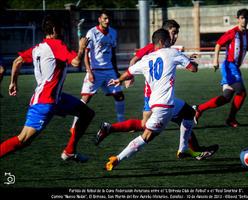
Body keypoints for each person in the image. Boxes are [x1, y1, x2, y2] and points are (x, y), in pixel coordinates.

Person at [96, 20, 218, 154]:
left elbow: (168, 60)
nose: (175, 37)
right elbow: (134, 60)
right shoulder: (152, 47)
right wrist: (129, 77)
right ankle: (111, 130)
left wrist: (187, 58)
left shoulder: (168, 50)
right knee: (148, 125)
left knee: (183, 115)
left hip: (158, 93)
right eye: (173, 33)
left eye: (177, 33)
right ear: (164, 35)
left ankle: (192, 150)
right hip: (153, 94)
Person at [0, 15, 95, 161]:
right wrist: (81, 48)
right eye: (61, 29)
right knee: (23, 140)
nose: (62, 32)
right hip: (45, 102)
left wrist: (13, 82)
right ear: (55, 29)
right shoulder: (56, 45)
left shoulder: (38, 48)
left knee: (86, 113)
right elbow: (76, 62)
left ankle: (69, 151)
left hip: (55, 98)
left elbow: (17, 61)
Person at [193, 8, 248, 128]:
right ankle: (231, 119)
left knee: (226, 97)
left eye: (246, 18)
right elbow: (218, 44)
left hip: (236, 68)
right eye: (242, 18)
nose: (244, 20)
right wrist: (215, 59)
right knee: (242, 91)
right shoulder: (232, 32)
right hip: (229, 66)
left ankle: (199, 108)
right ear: (238, 19)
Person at [70, 9, 125, 136]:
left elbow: (113, 54)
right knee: (86, 98)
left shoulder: (113, 32)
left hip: (109, 70)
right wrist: (89, 72)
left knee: (119, 95)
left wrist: (116, 71)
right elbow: (86, 53)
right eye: (105, 18)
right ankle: (74, 126)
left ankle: (121, 123)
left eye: (108, 18)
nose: (107, 21)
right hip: (95, 70)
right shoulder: (92, 33)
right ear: (99, 19)